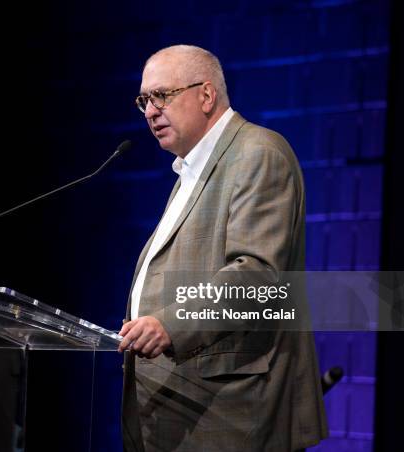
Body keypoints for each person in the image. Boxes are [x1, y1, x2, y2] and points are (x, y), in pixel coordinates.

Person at [117, 45, 328, 451]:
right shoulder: (192, 172)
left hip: (231, 415)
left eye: (162, 95)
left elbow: (256, 275)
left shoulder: (258, 154)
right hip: (179, 409)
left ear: (206, 95)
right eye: (144, 100)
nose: (150, 111)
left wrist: (169, 325)